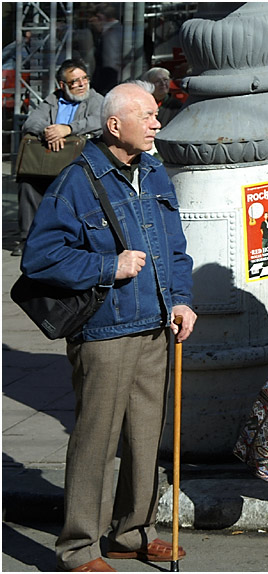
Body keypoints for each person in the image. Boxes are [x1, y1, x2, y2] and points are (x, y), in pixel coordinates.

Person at [21, 82, 197, 572]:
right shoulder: (77, 180)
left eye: (157, 115)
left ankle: (133, 532)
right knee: (96, 441)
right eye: (147, 115)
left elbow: (175, 247)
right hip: (104, 329)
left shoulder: (156, 170)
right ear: (115, 125)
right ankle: (79, 548)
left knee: (146, 439)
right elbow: (40, 258)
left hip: (155, 326)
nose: (158, 123)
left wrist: (182, 301)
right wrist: (107, 267)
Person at [14, 58, 104, 257]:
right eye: (75, 81)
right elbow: (31, 122)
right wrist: (48, 132)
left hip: (79, 160)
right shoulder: (53, 99)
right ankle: (27, 239)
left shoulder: (96, 99)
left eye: (84, 79)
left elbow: (99, 120)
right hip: (50, 158)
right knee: (27, 182)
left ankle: (71, 239)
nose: (82, 85)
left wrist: (68, 129)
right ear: (62, 85)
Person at [89, 3, 122, 95]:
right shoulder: (120, 30)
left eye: (92, 18)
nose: (90, 21)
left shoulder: (110, 35)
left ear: (100, 17)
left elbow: (110, 67)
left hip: (109, 89)